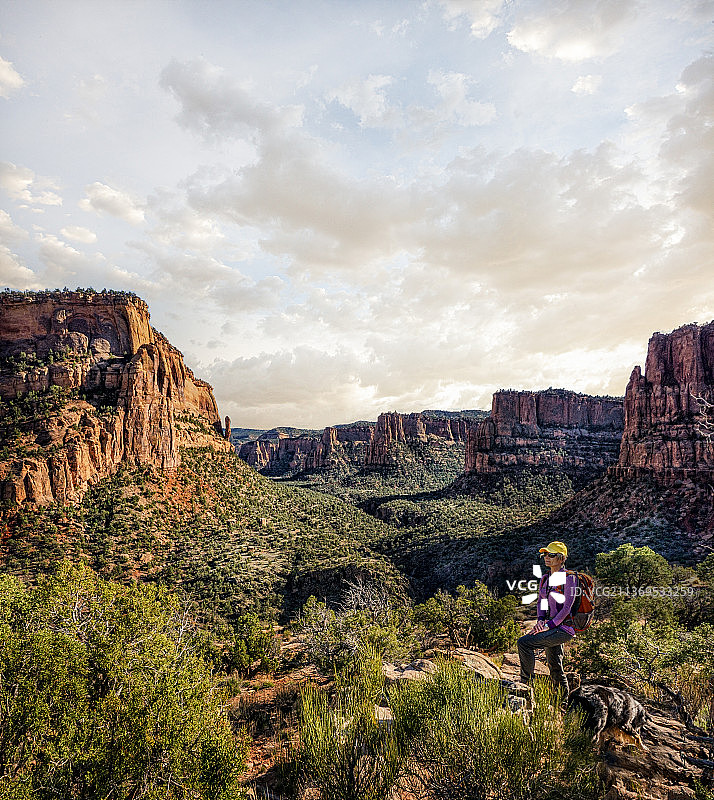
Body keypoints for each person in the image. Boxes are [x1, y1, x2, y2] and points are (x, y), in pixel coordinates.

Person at [517, 540, 577, 705]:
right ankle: (563, 703)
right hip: (550, 626)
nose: (546, 558)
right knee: (555, 665)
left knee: (524, 643)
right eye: (545, 554)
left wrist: (547, 626)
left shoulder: (569, 578)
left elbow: (567, 607)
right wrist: (540, 620)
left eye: (551, 555)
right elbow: (541, 603)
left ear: (561, 558)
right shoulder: (545, 578)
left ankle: (525, 685)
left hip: (563, 629)